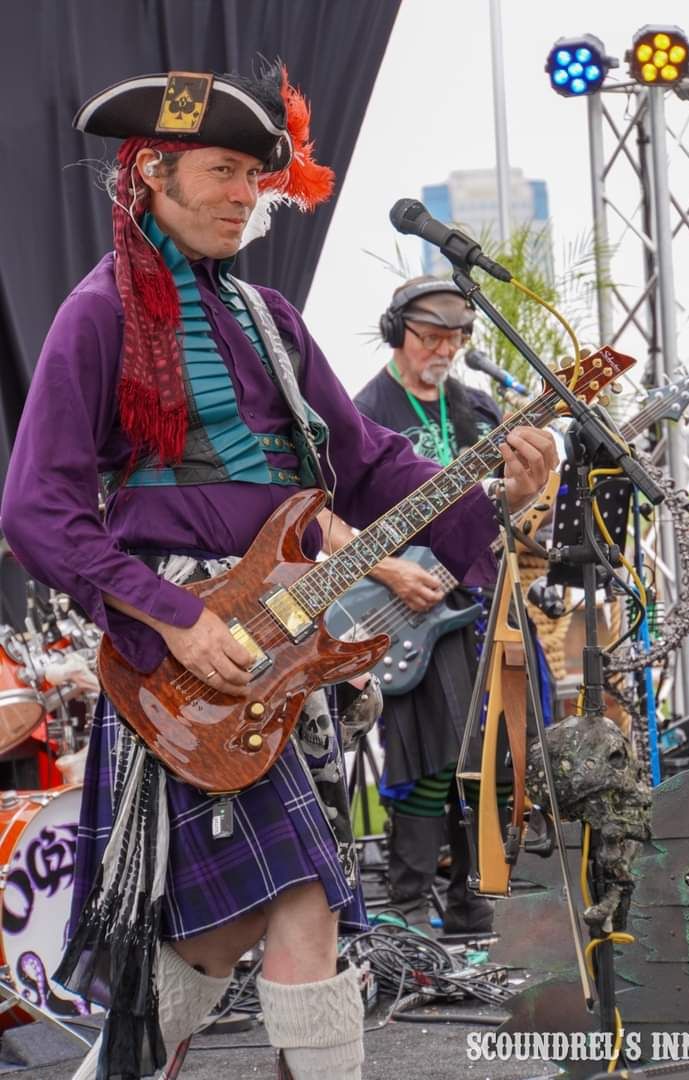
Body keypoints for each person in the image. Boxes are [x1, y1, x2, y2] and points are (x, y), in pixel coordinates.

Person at [0, 64, 556, 1080]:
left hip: (286, 646)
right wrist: (173, 616)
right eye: (221, 171)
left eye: (255, 176)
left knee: (228, 929)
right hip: (180, 656)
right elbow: (37, 508)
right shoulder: (97, 314)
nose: (245, 194)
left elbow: (371, 464)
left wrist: (496, 495)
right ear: (152, 174)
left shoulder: (270, 317)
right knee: (303, 898)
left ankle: (116, 1063)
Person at [348, 277, 554, 935]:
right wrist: (389, 569)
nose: (444, 349)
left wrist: (531, 493)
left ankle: (479, 902)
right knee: (429, 757)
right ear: (396, 332)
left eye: (455, 338)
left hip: (484, 599)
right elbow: (325, 517)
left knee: (501, 751)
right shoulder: (364, 412)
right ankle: (408, 908)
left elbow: (513, 508)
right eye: (431, 336)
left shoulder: (481, 410)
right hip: (405, 607)